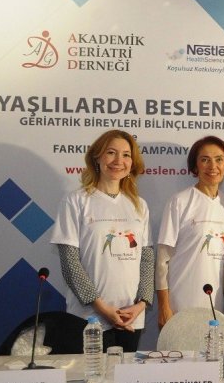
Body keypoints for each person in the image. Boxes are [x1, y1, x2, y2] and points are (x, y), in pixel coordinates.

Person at [50, 129, 153, 352]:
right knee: (90, 375)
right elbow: (69, 262)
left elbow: (146, 258)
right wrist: (101, 307)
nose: (118, 161)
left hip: (130, 318)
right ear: (97, 158)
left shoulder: (139, 205)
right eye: (111, 153)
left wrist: (141, 304)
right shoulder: (76, 201)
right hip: (88, 318)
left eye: (126, 155)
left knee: (124, 374)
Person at [155, 136, 224, 329]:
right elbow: (162, 260)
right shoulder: (179, 202)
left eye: (219, 159)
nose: (213, 166)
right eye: (205, 159)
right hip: (182, 303)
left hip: (219, 306)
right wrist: (164, 306)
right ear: (195, 166)